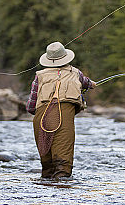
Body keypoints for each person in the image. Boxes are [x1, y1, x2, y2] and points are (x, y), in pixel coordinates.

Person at [26, 41, 95, 179]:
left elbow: (30, 107)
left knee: (47, 166)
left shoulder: (39, 75)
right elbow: (87, 82)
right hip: (64, 118)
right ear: (65, 57)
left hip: (42, 118)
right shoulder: (75, 72)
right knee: (62, 166)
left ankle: (46, 196)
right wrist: (91, 84)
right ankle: (62, 197)